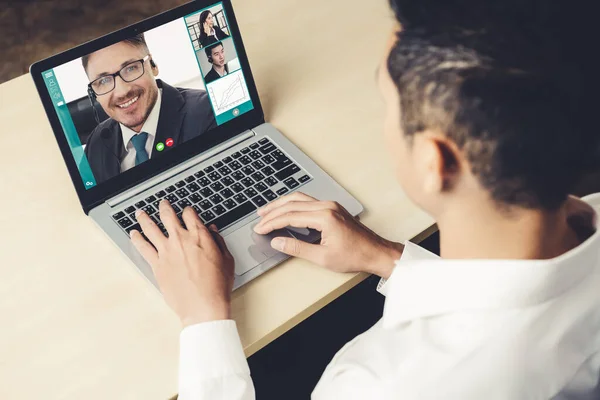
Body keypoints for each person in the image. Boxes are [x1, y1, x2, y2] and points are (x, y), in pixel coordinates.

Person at [130, 0, 600, 399]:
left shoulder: (380, 384)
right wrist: (389, 258)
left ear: (436, 162)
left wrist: (203, 317)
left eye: (388, 104)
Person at [83, 34, 216, 184]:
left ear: (153, 65)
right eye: (104, 81)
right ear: (93, 94)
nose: (122, 92)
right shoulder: (96, 144)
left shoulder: (208, 113)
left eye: (130, 68)